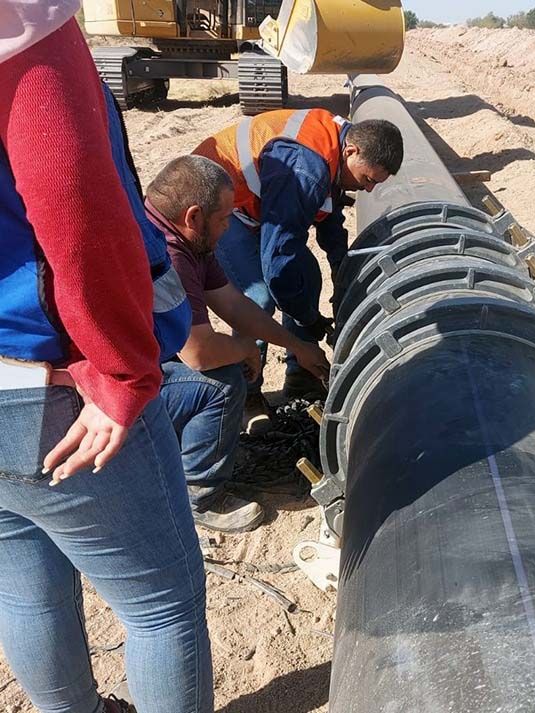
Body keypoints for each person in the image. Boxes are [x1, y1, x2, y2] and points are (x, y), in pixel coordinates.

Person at [0, 8, 212, 713]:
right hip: (48, 383)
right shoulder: (21, 22)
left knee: (25, 583)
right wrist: (123, 372)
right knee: (162, 606)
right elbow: (75, 198)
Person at [146, 155, 330, 533]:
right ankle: (200, 495)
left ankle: (178, 445)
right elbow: (198, 354)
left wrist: (296, 345)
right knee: (222, 383)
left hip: (143, 363)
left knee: (223, 368)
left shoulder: (188, 242)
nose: (230, 226)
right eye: (224, 219)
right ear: (194, 216)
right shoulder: (167, 256)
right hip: (99, 393)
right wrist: (245, 351)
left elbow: (234, 304)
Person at [193, 108, 404, 398]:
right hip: (215, 207)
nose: (367, 189)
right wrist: (309, 321)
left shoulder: (334, 147)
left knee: (307, 274)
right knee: (258, 296)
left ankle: (302, 377)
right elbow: (278, 262)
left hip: (253, 205)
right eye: (367, 179)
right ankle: (247, 396)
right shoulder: (305, 168)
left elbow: (330, 217)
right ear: (351, 151)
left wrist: (342, 274)